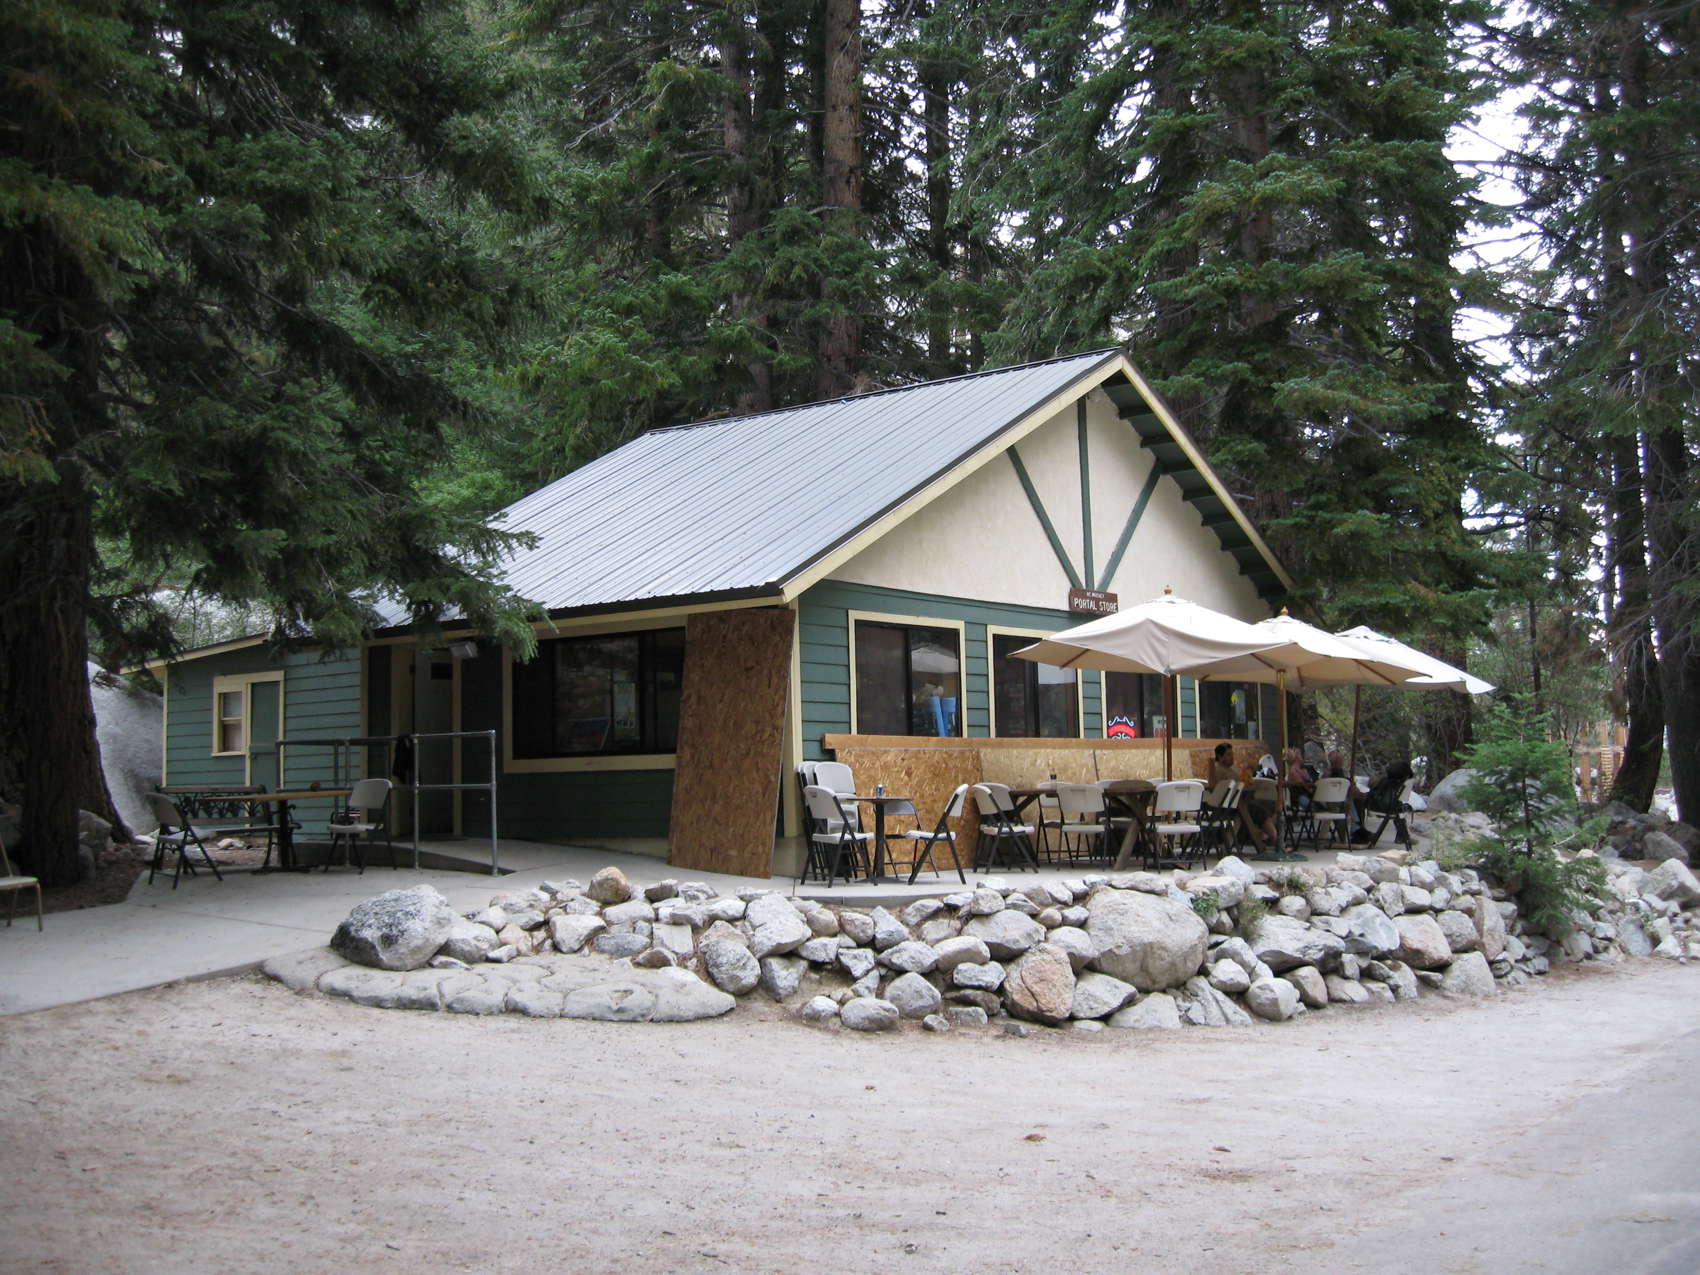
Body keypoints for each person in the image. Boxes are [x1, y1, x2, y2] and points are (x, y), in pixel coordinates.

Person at [1211, 742, 1278, 855]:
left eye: (1232, 754)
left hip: (1240, 803)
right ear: (1220, 756)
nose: (1232, 757)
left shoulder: (1233, 769)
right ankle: (1275, 841)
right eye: (1228, 755)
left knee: (1265, 806)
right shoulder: (1219, 771)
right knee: (1259, 811)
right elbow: (1225, 789)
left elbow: (1243, 783)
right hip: (1229, 806)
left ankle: (1267, 838)